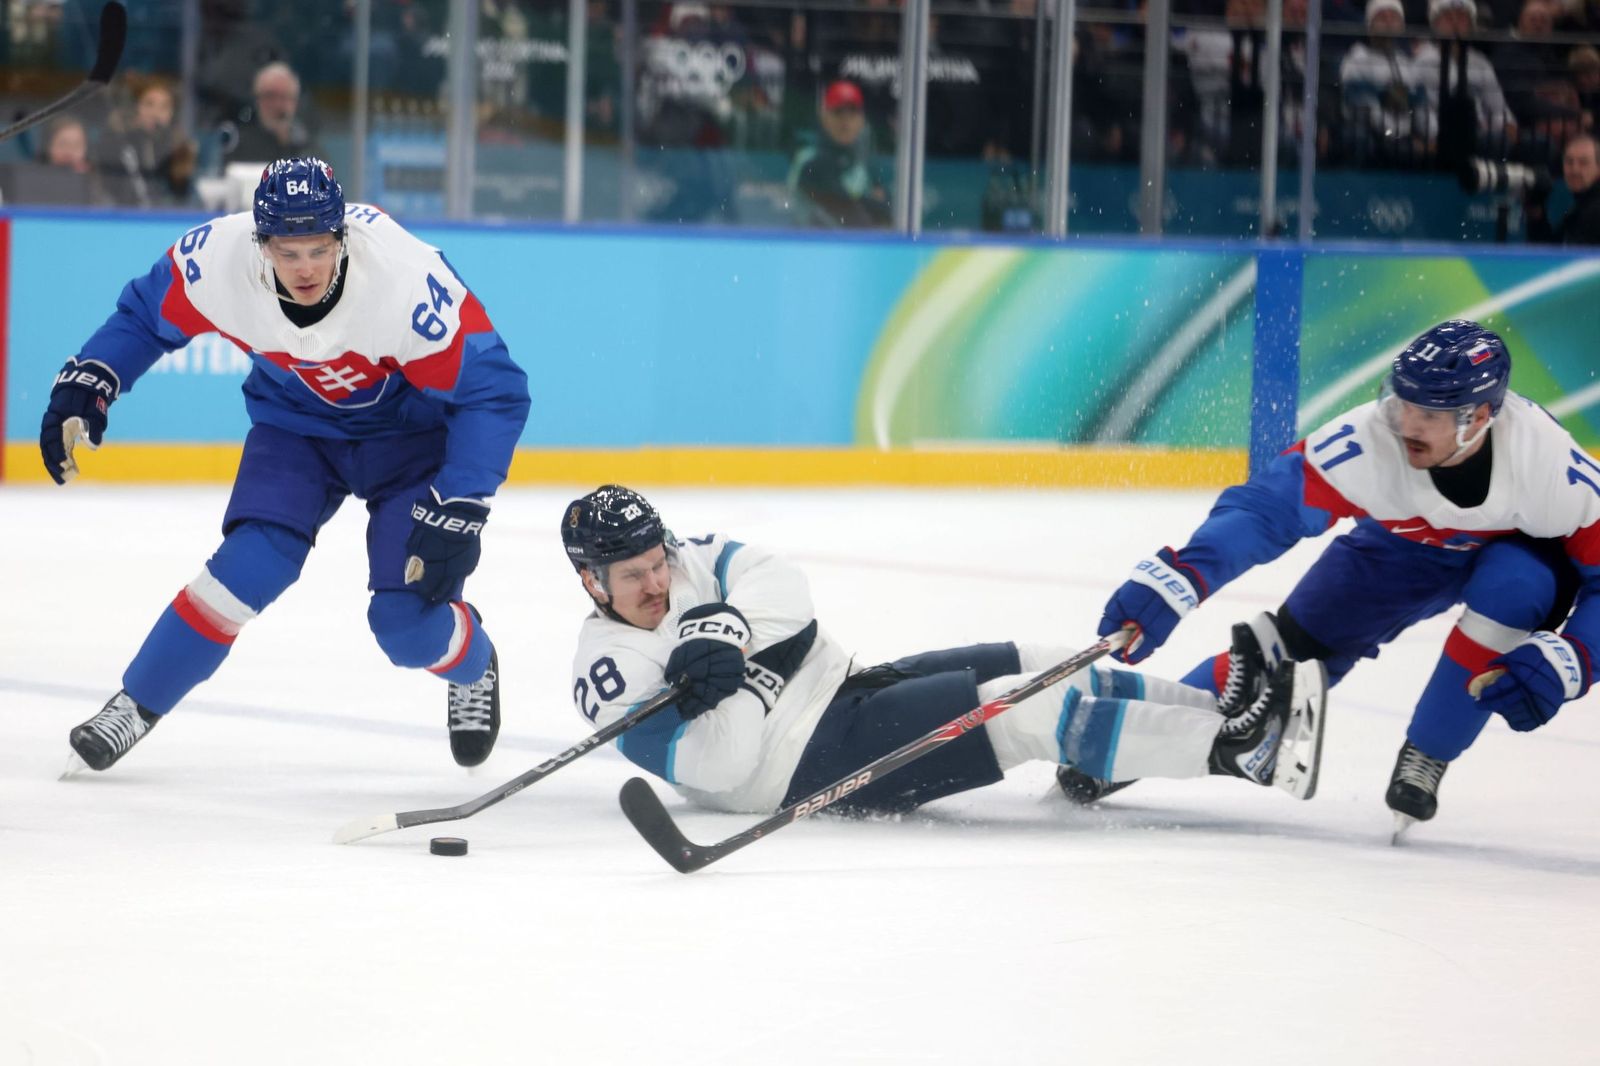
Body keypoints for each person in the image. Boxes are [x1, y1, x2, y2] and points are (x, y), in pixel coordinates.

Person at [40, 158, 530, 774]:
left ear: (342, 237)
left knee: (405, 625)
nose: (304, 269)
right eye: (286, 250)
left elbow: (494, 390)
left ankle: (474, 658)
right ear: (260, 240)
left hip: (408, 444)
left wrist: (462, 501)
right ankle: (136, 704)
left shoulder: (404, 279)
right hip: (296, 430)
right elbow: (144, 316)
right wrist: (95, 375)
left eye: (319, 250)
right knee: (245, 569)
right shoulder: (219, 259)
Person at [1080, 320, 1600, 838]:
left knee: (1515, 588)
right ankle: (1135, 739)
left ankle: (1431, 749)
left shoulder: (1551, 466)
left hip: (1520, 557)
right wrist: (1185, 573)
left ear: (1480, 416)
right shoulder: (1368, 439)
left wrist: (1574, 657)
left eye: (1429, 413)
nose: (1406, 425)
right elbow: (1266, 509)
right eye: (1402, 402)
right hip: (1408, 548)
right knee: (1289, 654)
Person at [557, 485, 1326, 819]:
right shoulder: (612, 672)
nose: (658, 580)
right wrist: (759, 677)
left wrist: (725, 631)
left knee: (1052, 656)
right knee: (1029, 708)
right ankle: (1240, 753)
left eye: (658, 561)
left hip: (840, 687)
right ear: (591, 581)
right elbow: (722, 767)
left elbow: (783, 587)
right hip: (794, 768)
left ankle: (1226, 714)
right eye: (634, 576)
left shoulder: (683, 560)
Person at [787, 79, 891, 229]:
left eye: (852, 113)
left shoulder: (866, 164)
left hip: (856, 245)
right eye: (838, 113)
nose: (845, 122)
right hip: (813, 244)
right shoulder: (811, 160)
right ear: (824, 117)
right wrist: (872, 201)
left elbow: (890, 212)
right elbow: (848, 211)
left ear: (862, 120)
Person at [95, 79, 198, 208]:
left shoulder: (181, 151)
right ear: (136, 106)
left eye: (164, 107)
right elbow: (106, 190)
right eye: (149, 104)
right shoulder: (115, 141)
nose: (155, 113)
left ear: (172, 114)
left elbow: (189, 200)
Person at [224, 61, 318, 166]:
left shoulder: (307, 146)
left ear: (295, 102)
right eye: (270, 96)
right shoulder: (238, 144)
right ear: (257, 100)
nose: (277, 104)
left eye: (284, 96)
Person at [1525, 132, 1600, 243]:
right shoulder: (1580, 206)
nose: (1575, 170)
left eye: (1583, 163)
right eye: (1569, 162)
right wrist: (1537, 210)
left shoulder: (1594, 211)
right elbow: (1552, 249)